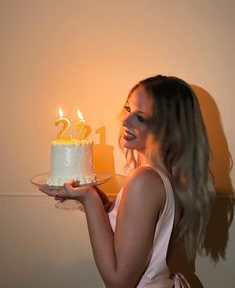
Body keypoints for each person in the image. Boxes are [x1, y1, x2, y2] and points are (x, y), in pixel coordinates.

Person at [40, 75, 215, 287]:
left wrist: (89, 198)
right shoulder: (166, 176)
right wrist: (96, 198)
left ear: (168, 128)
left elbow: (118, 282)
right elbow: (131, 235)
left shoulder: (144, 180)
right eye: (128, 109)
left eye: (141, 117)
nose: (125, 120)